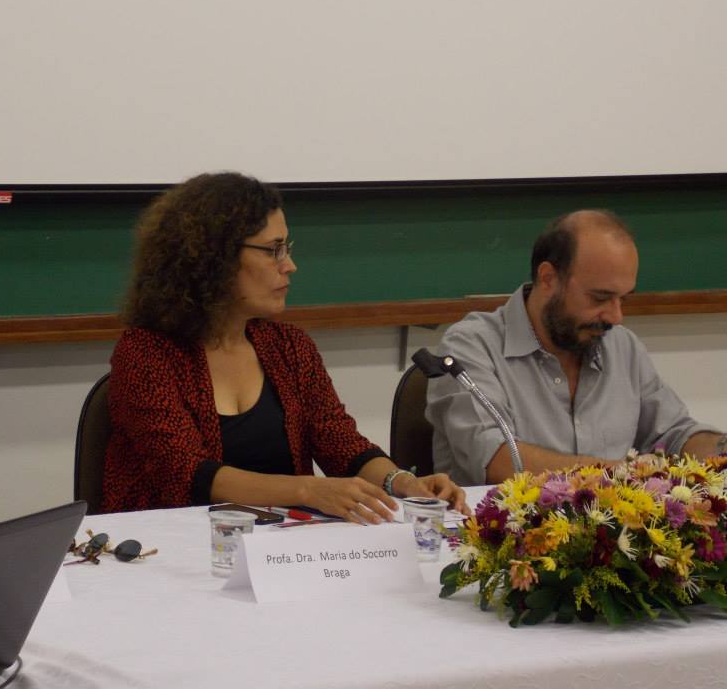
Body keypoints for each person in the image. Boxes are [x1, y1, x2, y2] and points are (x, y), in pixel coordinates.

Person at [101, 172, 466, 522]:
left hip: (281, 548)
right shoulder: (146, 353)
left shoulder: (288, 347)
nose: (289, 266)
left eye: (286, 248)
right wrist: (308, 490)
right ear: (215, 257)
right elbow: (185, 473)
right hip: (171, 549)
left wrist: (402, 482)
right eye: (273, 250)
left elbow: (340, 442)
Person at [427, 209, 725, 486]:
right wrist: (622, 476)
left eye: (624, 298)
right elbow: (498, 459)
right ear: (548, 278)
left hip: (612, 537)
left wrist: (720, 450)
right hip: (496, 536)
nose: (615, 316)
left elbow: (675, 436)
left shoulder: (622, 346)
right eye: (599, 298)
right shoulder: (471, 346)